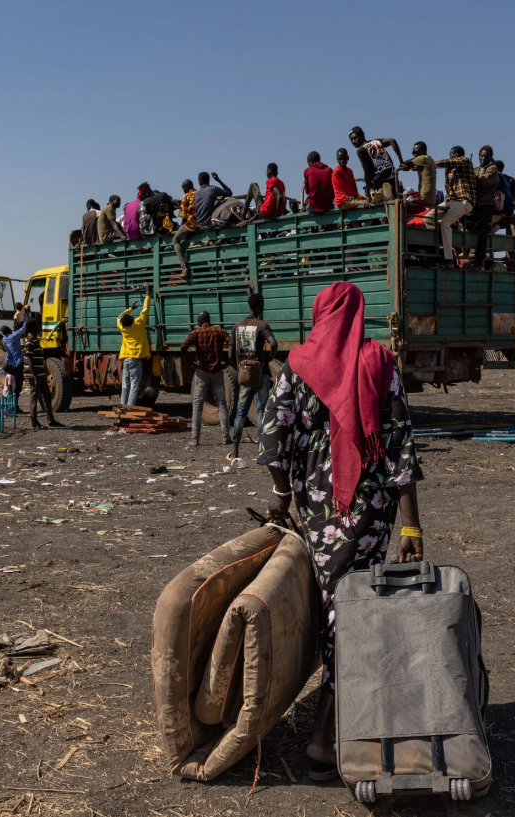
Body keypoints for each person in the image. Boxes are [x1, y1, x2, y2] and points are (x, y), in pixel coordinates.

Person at [258, 280, 423, 781]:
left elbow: (271, 438)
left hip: (317, 515)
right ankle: (324, 737)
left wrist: (283, 495)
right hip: (370, 515)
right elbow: (399, 444)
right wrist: (411, 525)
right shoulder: (379, 362)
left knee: (338, 611)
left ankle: (336, 728)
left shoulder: (297, 366)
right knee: (352, 616)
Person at [230, 292, 279, 458]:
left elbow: (230, 354)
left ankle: (236, 450)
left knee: (240, 412)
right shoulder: (262, 325)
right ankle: (261, 450)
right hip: (261, 374)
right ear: (259, 306)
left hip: (244, 374)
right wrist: (267, 359)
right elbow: (273, 343)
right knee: (261, 412)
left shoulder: (237, 326)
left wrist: (239, 367)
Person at [181, 311, 233, 447]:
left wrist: (191, 362)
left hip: (201, 372)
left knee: (198, 405)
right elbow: (232, 342)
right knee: (222, 403)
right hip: (217, 372)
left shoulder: (195, 333)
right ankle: (226, 437)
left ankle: (195, 439)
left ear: (200, 321)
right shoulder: (219, 332)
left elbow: (183, 347)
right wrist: (228, 360)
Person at [433, 146, 476, 267]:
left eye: (451, 155)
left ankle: (448, 259)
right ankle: (436, 250)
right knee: (429, 217)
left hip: (464, 201)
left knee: (445, 223)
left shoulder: (465, 161)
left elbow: (451, 162)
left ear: (456, 155)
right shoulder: (450, 170)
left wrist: (432, 164)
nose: (449, 157)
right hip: (451, 201)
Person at [23, 317, 62, 429]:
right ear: (32, 328)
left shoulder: (35, 339)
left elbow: (38, 358)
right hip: (34, 375)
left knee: (47, 396)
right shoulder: (30, 341)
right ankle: (34, 423)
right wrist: (34, 376)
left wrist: (44, 370)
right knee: (34, 398)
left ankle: (51, 420)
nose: (39, 328)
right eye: (37, 326)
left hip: (40, 374)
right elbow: (29, 360)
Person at [472, 146, 507, 268]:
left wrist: (473, 180)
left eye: (485, 156)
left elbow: (483, 182)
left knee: (482, 234)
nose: (482, 158)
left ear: (490, 157)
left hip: (486, 205)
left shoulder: (492, 170)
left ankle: (478, 262)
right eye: (481, 156)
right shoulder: (476, 170)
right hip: (476, 204)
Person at [347, 127, 403, 202]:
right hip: (392, 177)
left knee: (374, 194)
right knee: (395, 201)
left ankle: (379, 192)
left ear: (362, 136)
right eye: (351, 140)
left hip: (378, 180)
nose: (353, 141)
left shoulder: (361, 150)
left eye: (355, 138)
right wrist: (401, 162)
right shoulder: (376, 142)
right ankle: (386, 193)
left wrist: (367, 194)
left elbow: (367, 172)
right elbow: (392, 141)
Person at [117, 287, 151, 406]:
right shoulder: (139, 324)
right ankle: (130, 409)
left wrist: (129, 309)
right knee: (134, 387)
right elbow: (145, 309)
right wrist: (147, 294)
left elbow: (119, 318)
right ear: (132, 320)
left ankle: (123, 408)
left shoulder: (123, 328)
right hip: (136, 360)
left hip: (126, 360)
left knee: (125, 387)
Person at [172, 179, 199, 275]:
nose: (183, 191)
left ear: (186, 188)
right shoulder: (199, 193)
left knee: (175, 240)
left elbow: (183, 216)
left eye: (183, 189)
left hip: (192, 224)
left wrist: (181, 229)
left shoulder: (186, 196)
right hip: (202, 222)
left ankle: (184, 267)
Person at [1, 319, 28, 410]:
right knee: (18, 386)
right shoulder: (14, 336)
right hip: (18, 363)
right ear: (8, 330)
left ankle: (12, 405)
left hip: (10, 364)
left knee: (11, 386)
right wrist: (25, 316)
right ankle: (14, 406)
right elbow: (24, 328)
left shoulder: (4, 339)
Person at [402, 141, 438, 209]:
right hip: (430, 198)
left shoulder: (422, 158)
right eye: (413, 153)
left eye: (416, 152)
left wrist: (407, 165)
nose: (414, 155)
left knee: (402, 202)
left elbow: (404, 163)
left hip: (424, 196)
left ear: (422, 150)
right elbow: (412, 167)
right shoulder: (429, 159)